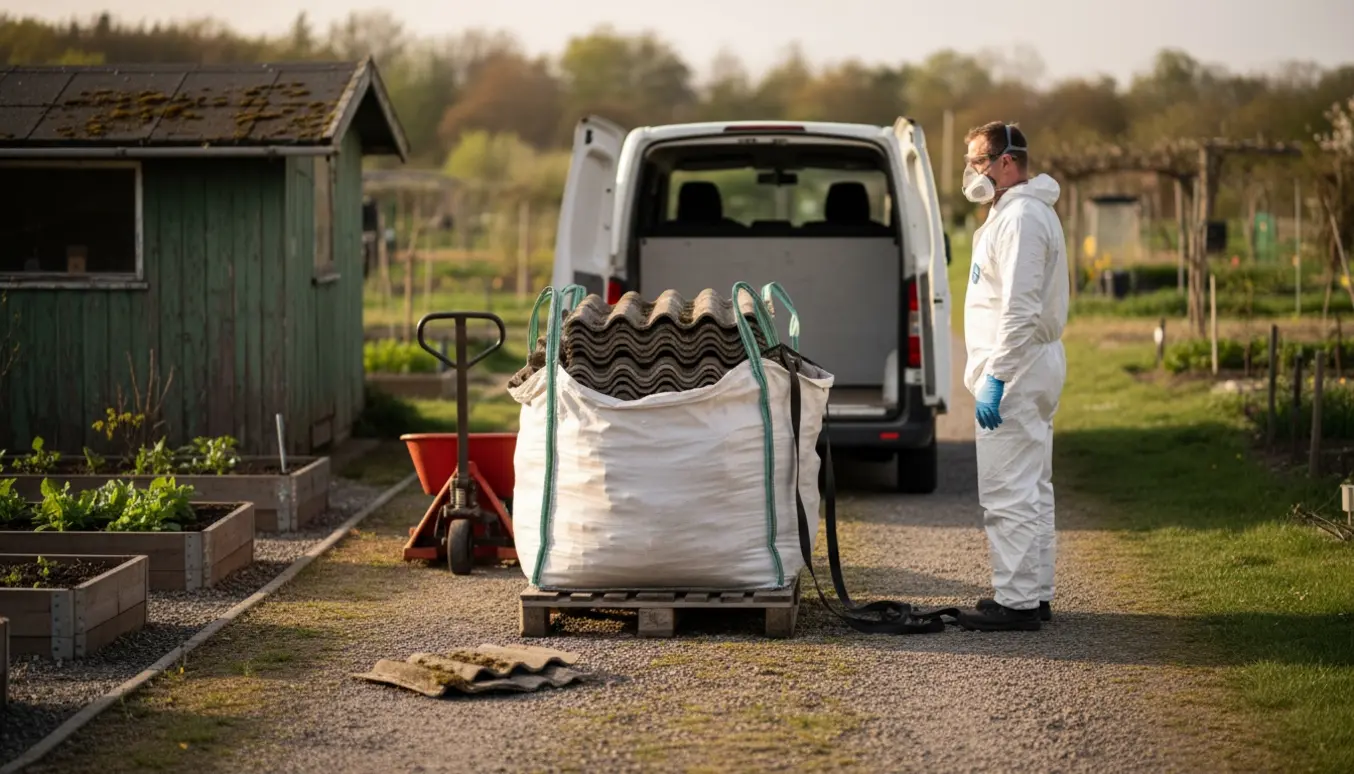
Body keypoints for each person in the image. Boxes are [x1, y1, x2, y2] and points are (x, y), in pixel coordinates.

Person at [955, 122, 1069, 632]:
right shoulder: (1014, 214)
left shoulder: (1022, 217)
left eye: (979, 161)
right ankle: (1034, 592)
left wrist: (997, 375)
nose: (972, 173)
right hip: (1028, 362)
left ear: (1006, 163)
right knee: (1033, 484)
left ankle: (1017, 602)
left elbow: (1020, 308)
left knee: (1008, 487)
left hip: (1017, 367)